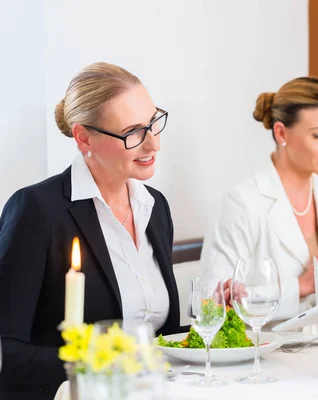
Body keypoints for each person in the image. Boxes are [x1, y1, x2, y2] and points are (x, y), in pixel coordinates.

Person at [0, 62, 183, 399]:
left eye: (154, 123)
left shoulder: (155, 206)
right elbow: (5, 351)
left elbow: (159, 339)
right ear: (84, 137)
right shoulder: (37, 210)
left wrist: (216, 316)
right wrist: (95, 363)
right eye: (133, 133)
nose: (153, 145)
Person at [199, 77, 318, 320]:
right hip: (259, 350)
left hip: (316, 347)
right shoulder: (242, 202)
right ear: (281, 133)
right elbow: (210, 304)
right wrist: (301, 285)